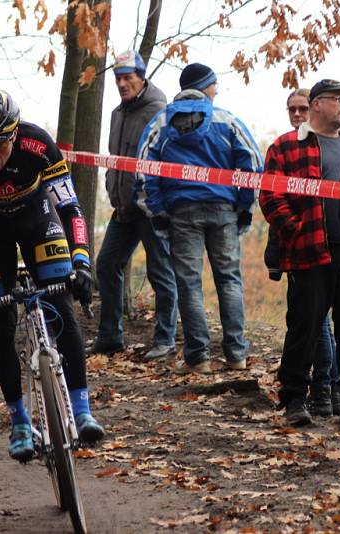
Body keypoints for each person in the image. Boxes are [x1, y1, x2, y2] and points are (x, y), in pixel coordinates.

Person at [0, 88, 105, 461]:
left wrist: (82, 262)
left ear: (15, 135)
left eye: (1, 145)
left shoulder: (39, 145)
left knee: (61, 306)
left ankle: (81, 410)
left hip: (36, 220)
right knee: (0, 324)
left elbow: (71, 209)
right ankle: (18, 421)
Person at [135, 63, 263, 373]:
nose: (217, 91)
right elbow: (253, 166)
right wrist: (244, 207)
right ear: (204, 86)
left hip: (182, 213)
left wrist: (159, 212)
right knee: (229, 279)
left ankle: (198, 357)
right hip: (223, 210)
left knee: (189, 284)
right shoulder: (227, 119)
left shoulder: (161, 121)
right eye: (215, 84)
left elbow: (143, 173)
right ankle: (236, 355)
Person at [259, 79, 340, 427]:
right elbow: (270, 196)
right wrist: (296, 228)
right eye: (337, 99)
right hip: (310, 249)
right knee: (304, 326)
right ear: (317, 104)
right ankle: (293, 400)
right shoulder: (287, 146)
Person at [90, 50, 178, 361]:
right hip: (123, 208)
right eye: (118, 78)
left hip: (151, 207)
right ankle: (111, 337)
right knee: (106, 264)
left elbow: (167, 160)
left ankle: (165, 338)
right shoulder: (117, 113)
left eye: (128, 77)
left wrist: (161, 204)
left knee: (161, 272)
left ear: (142, 78)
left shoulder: (159, 110)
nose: (122, 83)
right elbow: (115, 157)